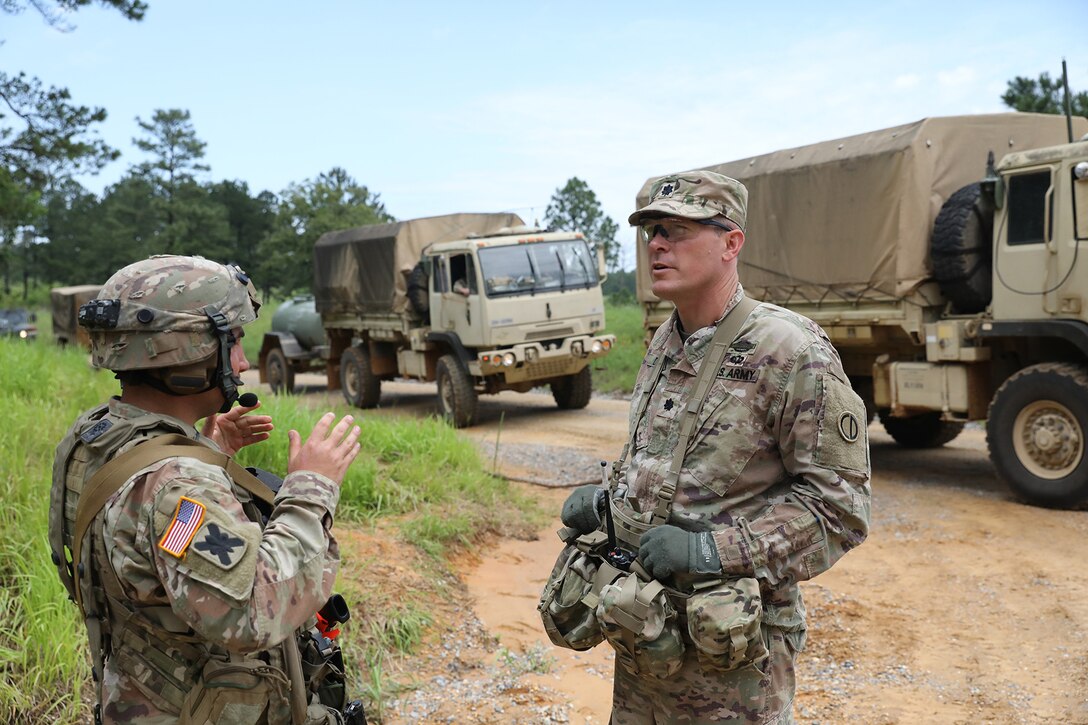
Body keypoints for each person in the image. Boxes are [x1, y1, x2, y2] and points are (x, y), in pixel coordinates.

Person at [560, 171, 871, 723]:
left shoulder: (791, 350)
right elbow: (660, 472)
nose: (656, 243)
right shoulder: (665, 340)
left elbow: (839, 509)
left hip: (732, 664)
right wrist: (608, 504)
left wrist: (712, 552)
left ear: (731, 243)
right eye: (653, 230)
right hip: (648, 642)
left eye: (678, 230)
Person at [49, 255, 362, 724]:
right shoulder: (175, 485)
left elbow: (138, 544)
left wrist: (205, 449)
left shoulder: (96, 436)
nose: (242, 361)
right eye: (231, 341)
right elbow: (255, 612)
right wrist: (311, 487)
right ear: (183, 349)